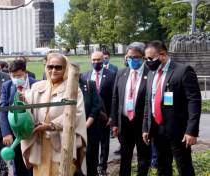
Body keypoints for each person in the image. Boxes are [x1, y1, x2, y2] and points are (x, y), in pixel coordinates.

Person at [20, 53, 87, 176]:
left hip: (62, 142)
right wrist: (21, 100)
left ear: (65, 68)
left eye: (58, 67)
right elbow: (26, 105)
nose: (53, 70)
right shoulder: (37, 87)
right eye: (50, 66)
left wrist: (49, 125)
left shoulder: (73, 89)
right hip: (40, 142)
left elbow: (76, 114)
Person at [142, 40, 201, 176]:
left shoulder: (183, 71)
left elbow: (194, 102)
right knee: (162, 167)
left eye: (151, 58)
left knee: (184, 166)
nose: (148, 61)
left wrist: (191, 131)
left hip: (178, 130)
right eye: (146, 58)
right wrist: (146, 127)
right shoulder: (151, 74)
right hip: (157, 129)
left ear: (162, 54)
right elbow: (148, 102)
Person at [111, 42, 151, 176]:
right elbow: (115, 99)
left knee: (143, 158)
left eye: (135, 57)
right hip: (124, 122)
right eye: (129, 57)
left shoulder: (150, 73)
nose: (131, 60)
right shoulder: (121, 73)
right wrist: (115, 123)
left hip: (142, 123)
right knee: (125, 157)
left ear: (143, 58)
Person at [0, 59, 38, 176]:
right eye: (13, 76)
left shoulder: (37, 84)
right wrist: (6, 133)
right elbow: (2, 110)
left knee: (34, 167)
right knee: (19, 168)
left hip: (34, 133)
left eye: (19, 75)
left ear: (26, 73)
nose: (16, 78)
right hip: (16, 135)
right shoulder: (7, 86)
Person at [82, 51, 116, 175]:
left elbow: (114, 97)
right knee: (93, 142)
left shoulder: (112, 75)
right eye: (94, 60)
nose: (96, 62)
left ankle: (102, 166)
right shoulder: (85, 75)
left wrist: (112, 115)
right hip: (90, 116)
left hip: (105, 116)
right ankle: (94, 165)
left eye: (99, 60)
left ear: (103, 60)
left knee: (105, 142)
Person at [71, 62, 102, 176]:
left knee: (89, 164)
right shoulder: (62, 88)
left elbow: (96, 107)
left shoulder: (89, 84)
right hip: (70, 133)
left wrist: (83, 127)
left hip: (89, 131)